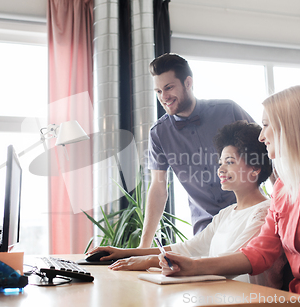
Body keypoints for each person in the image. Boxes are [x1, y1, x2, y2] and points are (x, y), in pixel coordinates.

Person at [157, 86, 300, 307]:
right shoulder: (282, 189)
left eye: (266, 125)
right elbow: (258, 253)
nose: (261, 136)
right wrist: (192, 266)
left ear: (292, 128)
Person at [88, 121, 285, 288]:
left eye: (230, 162)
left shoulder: (264, 212)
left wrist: (151, 261)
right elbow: (187, 248)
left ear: (255, 169)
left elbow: (230, 261)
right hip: (219, 296)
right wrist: (126, 252)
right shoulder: (226, 214)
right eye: (221, 162)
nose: (221, 169)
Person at [140, 53, 254, 248]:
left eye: (168, 88)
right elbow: (158, 189)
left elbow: (266, 151)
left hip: (248, 216)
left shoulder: (228, 110)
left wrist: (282, 206)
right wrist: (143, 246)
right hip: (205, 229)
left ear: (188, 82)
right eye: (158, 91)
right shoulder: (159, 134)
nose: (163, 97)